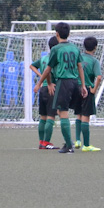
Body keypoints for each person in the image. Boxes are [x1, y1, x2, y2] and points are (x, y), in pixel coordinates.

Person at [33, 22, 88, 154]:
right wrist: (83, 85)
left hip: (63, 82)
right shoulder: (75, 48)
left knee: (63, 113)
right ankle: (70, 142)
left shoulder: (56, 49)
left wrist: (39, 83)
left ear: (57, 34)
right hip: (75, 82)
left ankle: (69, 145)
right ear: (69, 34)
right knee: (64, 112)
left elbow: (48, 69)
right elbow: (80, 67)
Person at [74, 36, 103, 152]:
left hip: (76, 88)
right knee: (86, 116)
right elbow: (99, 77)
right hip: (87, 89)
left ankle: (77, 140)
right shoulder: (94, 61)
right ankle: (86, 145)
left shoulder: (78, 58)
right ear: (95, 47)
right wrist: (94, 89)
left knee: (78, 115)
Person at [30, 36, 59, 149]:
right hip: (51, 89)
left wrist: (40, 76)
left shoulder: (44, 58)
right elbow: (48, 72)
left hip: (42, 90)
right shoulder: (55, 59)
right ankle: (46, 142)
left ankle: (41, 142)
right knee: (51, 117)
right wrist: (49, 82)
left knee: (43, 117)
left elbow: (32, 66)